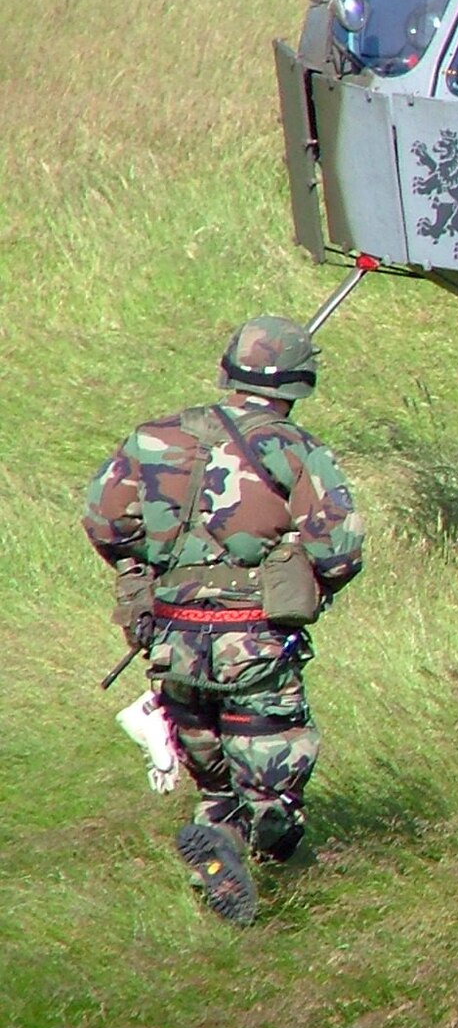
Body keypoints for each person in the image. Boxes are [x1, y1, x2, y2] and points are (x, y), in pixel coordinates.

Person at [82, 316, 364, 925]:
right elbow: (339, 550)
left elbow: (104, 519)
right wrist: (302, 583)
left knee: (213, 782)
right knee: (272, 784)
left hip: (169, 639)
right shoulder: (296, 450)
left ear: (228, 370)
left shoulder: (153, 437)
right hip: (254, 639)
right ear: (300, 380)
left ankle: (219, 852)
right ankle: (262, 847)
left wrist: (142, 573)